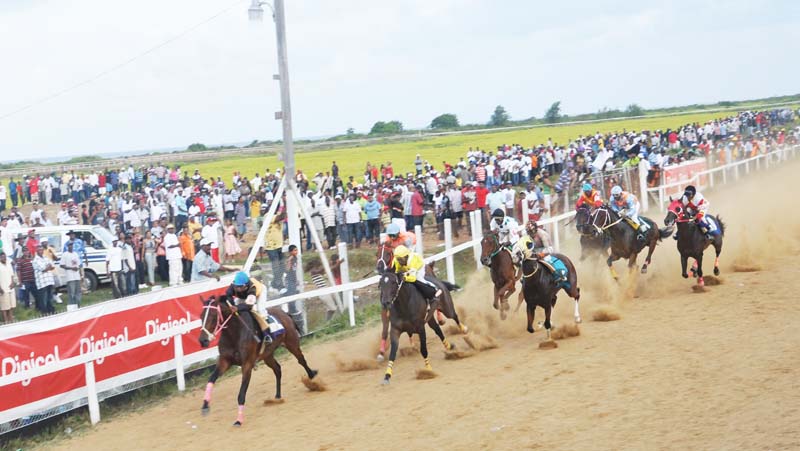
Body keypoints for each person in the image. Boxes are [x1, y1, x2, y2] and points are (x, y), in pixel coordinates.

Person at [225, 271, 273, 344]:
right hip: (244, 296)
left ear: (246, 285)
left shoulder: (252, 288)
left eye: (240, 287)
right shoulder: (233, 286)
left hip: (259, 292)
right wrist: (232, 306)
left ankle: (267, 334)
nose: (238, 289)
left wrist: (237, 308)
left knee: (260, 310)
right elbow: (228, 296)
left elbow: (249, 306)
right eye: (236, 286)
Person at [32, 243, 56, 313]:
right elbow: (43, 269)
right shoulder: (35, 260)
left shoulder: (46, 257)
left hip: (49, 281)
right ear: (37, 251)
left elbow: (52, 266)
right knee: (43, 300)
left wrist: (48, 267)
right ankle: (44, 313)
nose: (40, 251)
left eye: (41, 250)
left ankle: (51, 311)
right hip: (42, 283)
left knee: (50, 298)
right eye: (39, 250)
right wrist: (48, 267)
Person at [60, 241, 83, 308]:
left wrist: (80, 273)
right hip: (70, 277)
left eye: (72, 245)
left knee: (78, 292)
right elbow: (62, 265)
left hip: (77, 276)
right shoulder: (65, 254)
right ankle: (72, 306)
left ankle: (78, 305)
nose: (71, 246)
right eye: (69, 245)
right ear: (67, 246)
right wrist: (71, 268)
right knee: (71, 293)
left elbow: (78, 264)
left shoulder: (75, 254)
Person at [0, 252, 17, 323]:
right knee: (4, 307)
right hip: (3, 289)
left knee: (11, 306)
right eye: (2, 257)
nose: (4, 258)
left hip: (10, 288)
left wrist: (13, 283)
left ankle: (11, 321)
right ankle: (6, 321)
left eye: (5, 257)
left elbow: (12, 275)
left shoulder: (8, 264)